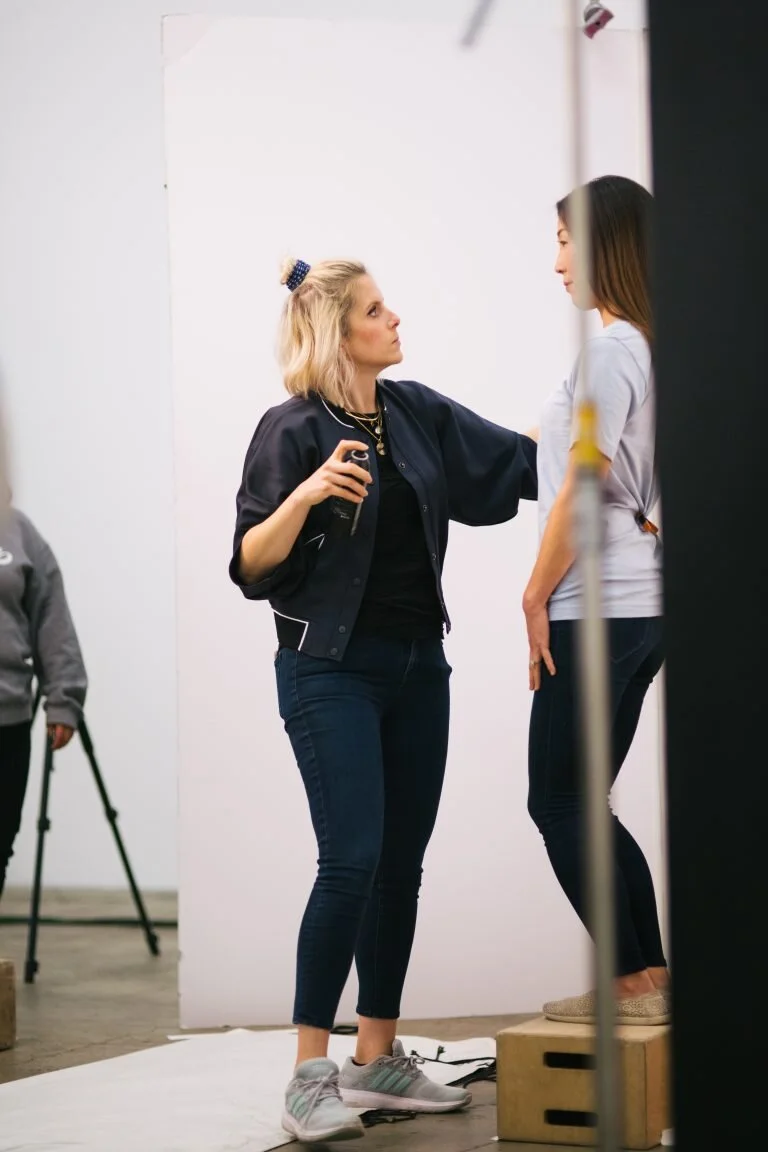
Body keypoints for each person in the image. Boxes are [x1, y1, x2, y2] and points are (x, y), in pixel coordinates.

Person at [230, 256, 538, 1143]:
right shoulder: (287, 430)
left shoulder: (414, 411)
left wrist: (599, 427)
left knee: (399, 866)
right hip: (329, 671)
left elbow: (513, 462)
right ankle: (307, 1076)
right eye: (375, 309)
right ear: (340, 332)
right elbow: (250, 563)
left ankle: (377, 1059)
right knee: (351, 861)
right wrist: (309, 493)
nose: (394, 317)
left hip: (417, 668)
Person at [524, 175, 669, 1025]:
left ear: (603, 243)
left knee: (559, 802)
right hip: (640, 605)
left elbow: (582, 483)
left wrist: (535, 593)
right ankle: (647, 984)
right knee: (589, 801)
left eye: (566, 241)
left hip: (595, 607)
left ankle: (626, 987)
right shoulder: (654, 346)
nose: (557, 264)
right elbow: (607, 468)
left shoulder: (614, 350)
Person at [0, 492, 87, 899]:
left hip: (8, 719)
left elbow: (52, 619)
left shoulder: (19, 533)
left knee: (1, 840)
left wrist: (63, 700)